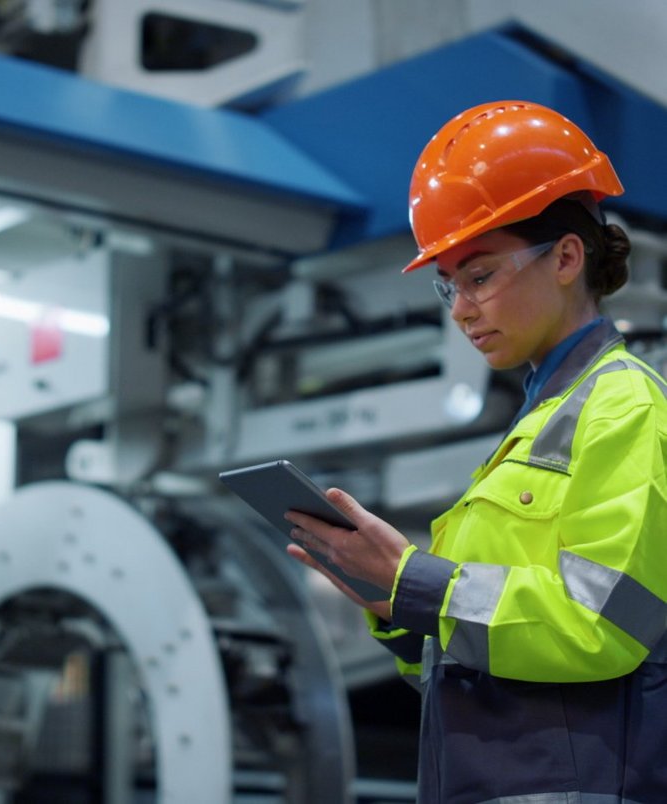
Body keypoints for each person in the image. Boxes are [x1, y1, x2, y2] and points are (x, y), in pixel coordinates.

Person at [284, 100, 667, 803]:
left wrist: (417, 583)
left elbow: (601, 626)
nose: (460, 307)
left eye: (481, 275)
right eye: (448, 284)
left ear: (566, 257)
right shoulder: (542, 424)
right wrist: (392, 601)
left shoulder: (624, 406)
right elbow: (480, 662)